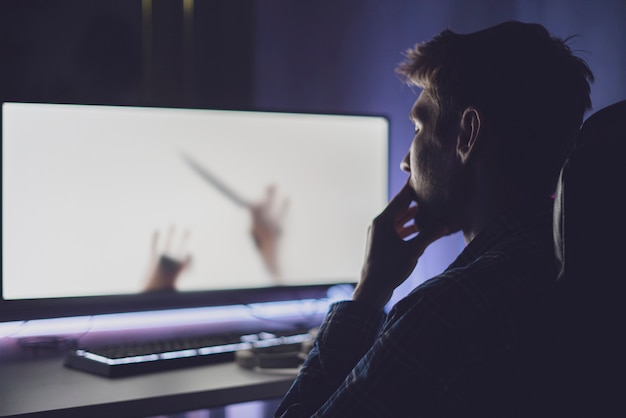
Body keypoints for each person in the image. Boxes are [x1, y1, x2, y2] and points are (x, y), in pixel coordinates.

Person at [275, 21, 593, 417]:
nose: (406, 161)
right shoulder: (576, 262)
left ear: (467, 135)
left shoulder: (450, 309)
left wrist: (369, 293)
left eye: (418, 126)